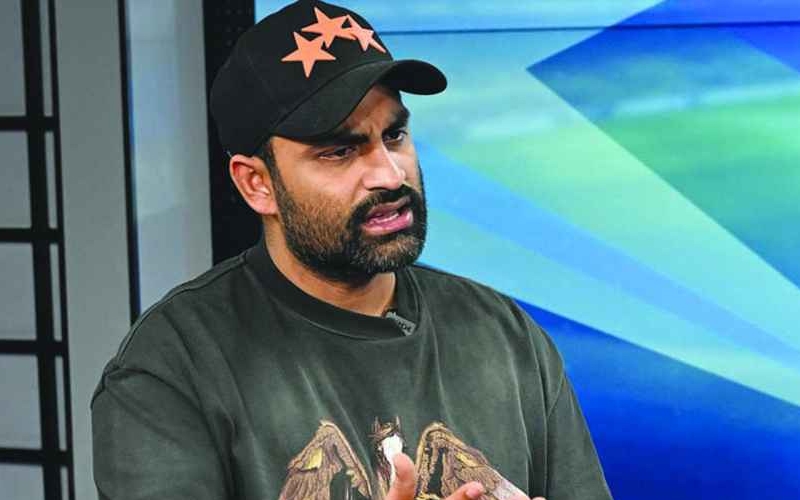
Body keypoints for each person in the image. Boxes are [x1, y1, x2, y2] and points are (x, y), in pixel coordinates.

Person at [91, 1, 612, 500]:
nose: (389, 174)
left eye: (395, 134)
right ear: (257, 184)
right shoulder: (174, 367)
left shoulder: (504, 336)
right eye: (339, 151)